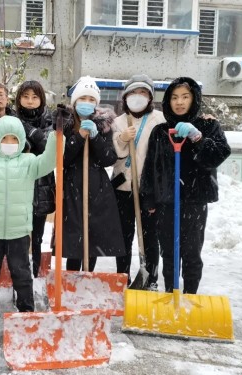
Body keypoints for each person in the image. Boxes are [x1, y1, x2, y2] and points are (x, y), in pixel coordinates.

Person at [0, 115, 61, 349]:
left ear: (21, 140)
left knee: (22, 276)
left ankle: (26, 317)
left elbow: (50, 160)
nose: (9, 142)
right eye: (5, 138)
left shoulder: (28, 162)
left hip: (18, 232)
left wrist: (58, 133)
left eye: (14, 138)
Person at [140, 76, 231, 294]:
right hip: (166, 202)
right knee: (169, 253)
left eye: (185, 97)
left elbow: (218, 155)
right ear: (168, 101)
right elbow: (151, 167)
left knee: (191, 253)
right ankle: (172, 295)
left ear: (194, 99)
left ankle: (190, 296)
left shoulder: (208, 126)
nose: (179, 102)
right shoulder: (160, 131)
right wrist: (149, 198)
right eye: (174, 97)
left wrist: (197, 137)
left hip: (194, 201)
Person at [57, 76, 125, 271]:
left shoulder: (103, 125)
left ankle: (88, 278)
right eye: (82, 99)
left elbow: (108, 159)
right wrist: (78, 137)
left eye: (90, 99)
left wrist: (95, 137)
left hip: (97, 189)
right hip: (72, 188)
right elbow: (63, 158)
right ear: (75, 101)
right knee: (74, 239)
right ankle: (70, 279)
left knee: (92, 238)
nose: (86, 103)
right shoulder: (65, 124)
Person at [111, 74, 165, 289]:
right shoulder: (117, 122)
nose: (138, 97)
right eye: (134, 92)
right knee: (123, 238)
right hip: (122, 188)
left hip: (149, 190)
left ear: (150, 97)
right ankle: (121, 278)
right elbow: (112, 156)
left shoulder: (160, 120)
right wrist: (121, 139)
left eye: (143, 92)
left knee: (150, 237)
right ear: (126, 97)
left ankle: (150, 278)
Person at [14, 80, 55, 278]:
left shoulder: (49, 120)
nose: (30, 101)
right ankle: (20, 273)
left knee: (37, 236)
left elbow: (48, 146)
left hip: (41, 186)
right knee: (19, 236)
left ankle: (36, 272)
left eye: (34, 97)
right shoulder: (11, 119)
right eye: (25, 97)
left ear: (41, 99)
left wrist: (30, 131)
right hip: (18, 185)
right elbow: (14, 147)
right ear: (19, 99)